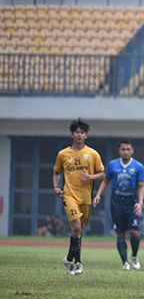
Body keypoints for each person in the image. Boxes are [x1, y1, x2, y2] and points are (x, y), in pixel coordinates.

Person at [53, 118, 105, 275]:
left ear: (86, 135)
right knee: (76, 226)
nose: (79, 135)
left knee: (79, 231)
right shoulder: (63, 154)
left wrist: (90, 178)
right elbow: (56, 172)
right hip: (69, 195)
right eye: (77, 132)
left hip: (86, 198)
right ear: (72, 135)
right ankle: (77, 262)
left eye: (82, 132)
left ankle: (73, 261)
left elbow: (103, 173)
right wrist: (56, 187)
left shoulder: (92, 154)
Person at [93, 140, 144, 270]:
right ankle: (125, 262)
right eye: (123, 149)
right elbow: (106, 181)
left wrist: (140, 203)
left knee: (134, 232)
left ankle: (134, 256)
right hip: (116, 202)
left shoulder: (138, 166)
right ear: (119, 150)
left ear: (132, 150)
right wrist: (98, 195)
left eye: (128, 149)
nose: (125, 151)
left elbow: (141, 186)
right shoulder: (113, 165)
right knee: (120, 233)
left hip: (132, 202)